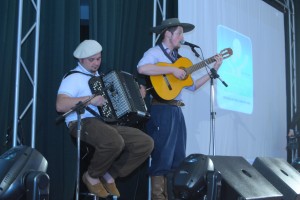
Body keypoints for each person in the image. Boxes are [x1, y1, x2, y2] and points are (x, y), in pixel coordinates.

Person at [137, 18, 223, 199]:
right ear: (167, 33)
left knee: (177, 159)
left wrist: (213, 70)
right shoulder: (154, 52)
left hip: (176, 111)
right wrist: (171, 70)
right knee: (162, 158)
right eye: (179, 33)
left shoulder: (180, 60)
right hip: (161, 110)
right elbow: (142, 68)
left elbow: (193, 86)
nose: (182, 37)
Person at [56, 39, 154, 198]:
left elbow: (117, 104)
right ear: (80, 60)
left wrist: (138, 96)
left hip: (105, 124)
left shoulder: (102, 78)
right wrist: (90, 99)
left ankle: (109, 175)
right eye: (91, 60)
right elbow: (60, 105)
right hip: (81, 123)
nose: (96, 63)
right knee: (114, 141)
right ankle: (92, 176)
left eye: (98, 59)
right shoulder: (73, 77)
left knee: (145, 143)